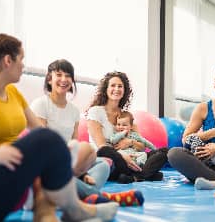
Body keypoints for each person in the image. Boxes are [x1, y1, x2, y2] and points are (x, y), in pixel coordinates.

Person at [0, 0, 118, 221]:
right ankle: (73, 204)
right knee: (46, 144)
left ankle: (53, 203)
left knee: (85, 155)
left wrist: (56, 158)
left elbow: (38, 132)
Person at [31, 59, 144, 206]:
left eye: (68, 76)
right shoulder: (40, 104)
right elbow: (42, 143)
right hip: (51, 162)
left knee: (103, 165)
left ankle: (78, 192)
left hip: (69, 162)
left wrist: (81, 171)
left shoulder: (73, 110)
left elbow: (74, 144)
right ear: (49, 79)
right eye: (58, 75)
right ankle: (102, 197)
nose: (64, 79)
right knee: (101, 155)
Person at [87, 71, 168, 184]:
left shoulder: (126, 116)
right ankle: (146, 174)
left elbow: (142, 147)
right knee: (105, 151)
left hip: (132, 157)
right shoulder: (95, 112)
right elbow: (101, 145)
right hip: (109, 160)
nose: (117, 89)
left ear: (124, 91)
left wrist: (130, 143)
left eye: (120, 86)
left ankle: (135, 176)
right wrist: (122, 155)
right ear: (106, 89)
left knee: (166, 151)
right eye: (113, 85)